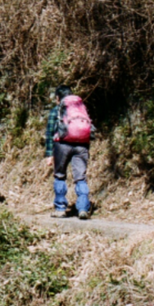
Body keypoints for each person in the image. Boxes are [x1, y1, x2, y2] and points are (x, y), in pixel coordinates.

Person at [44, 85, 93, 219]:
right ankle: (83, 208)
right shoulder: (81, 108)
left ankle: (60, 209)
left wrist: (49, 154)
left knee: (60, 175)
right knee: (80, 178)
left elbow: (49, 133)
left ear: (57, 98)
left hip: (62, 145)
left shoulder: (57, 110)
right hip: (82, 145)